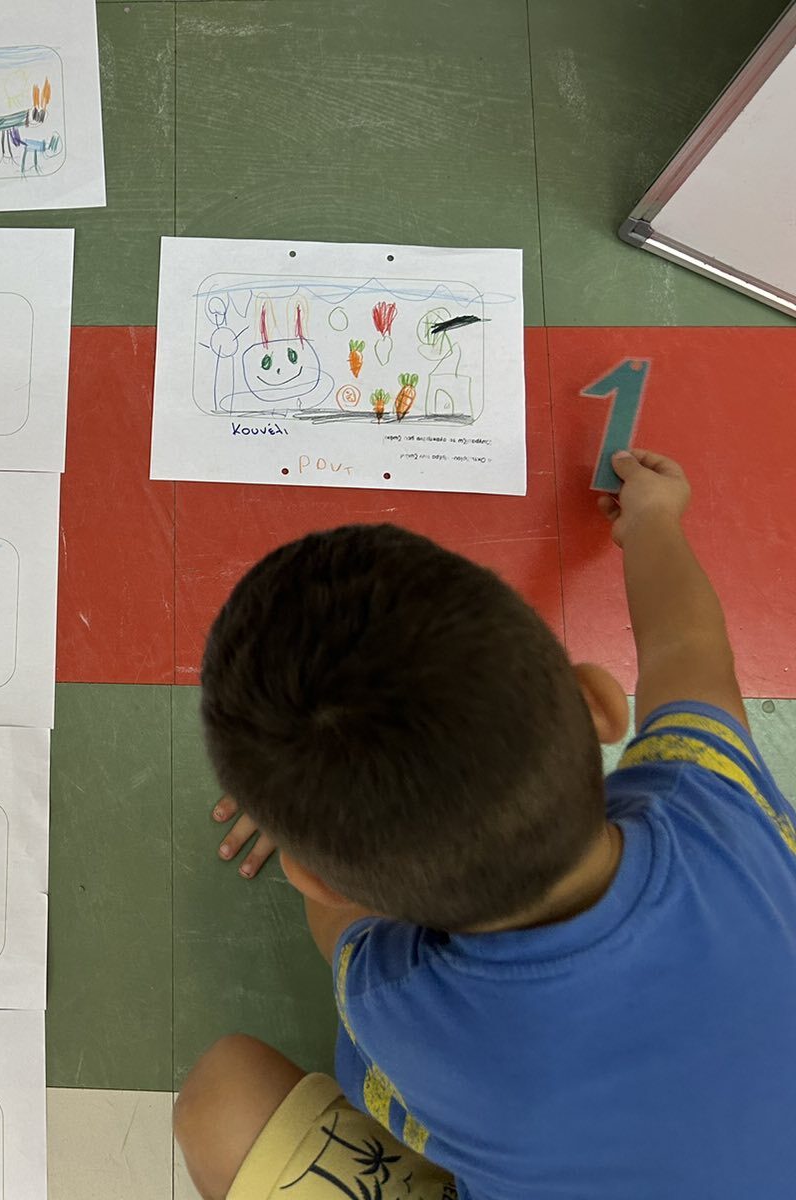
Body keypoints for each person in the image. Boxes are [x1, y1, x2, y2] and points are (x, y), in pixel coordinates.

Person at [175, 450, 796, 1199]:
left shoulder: (399, 1004)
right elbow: (687, 648)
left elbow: (339, 925)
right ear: (599, 704)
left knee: (222, 1103)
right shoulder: (714, 800)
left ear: (314, 876)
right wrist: (655, 521)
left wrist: (303, 803)